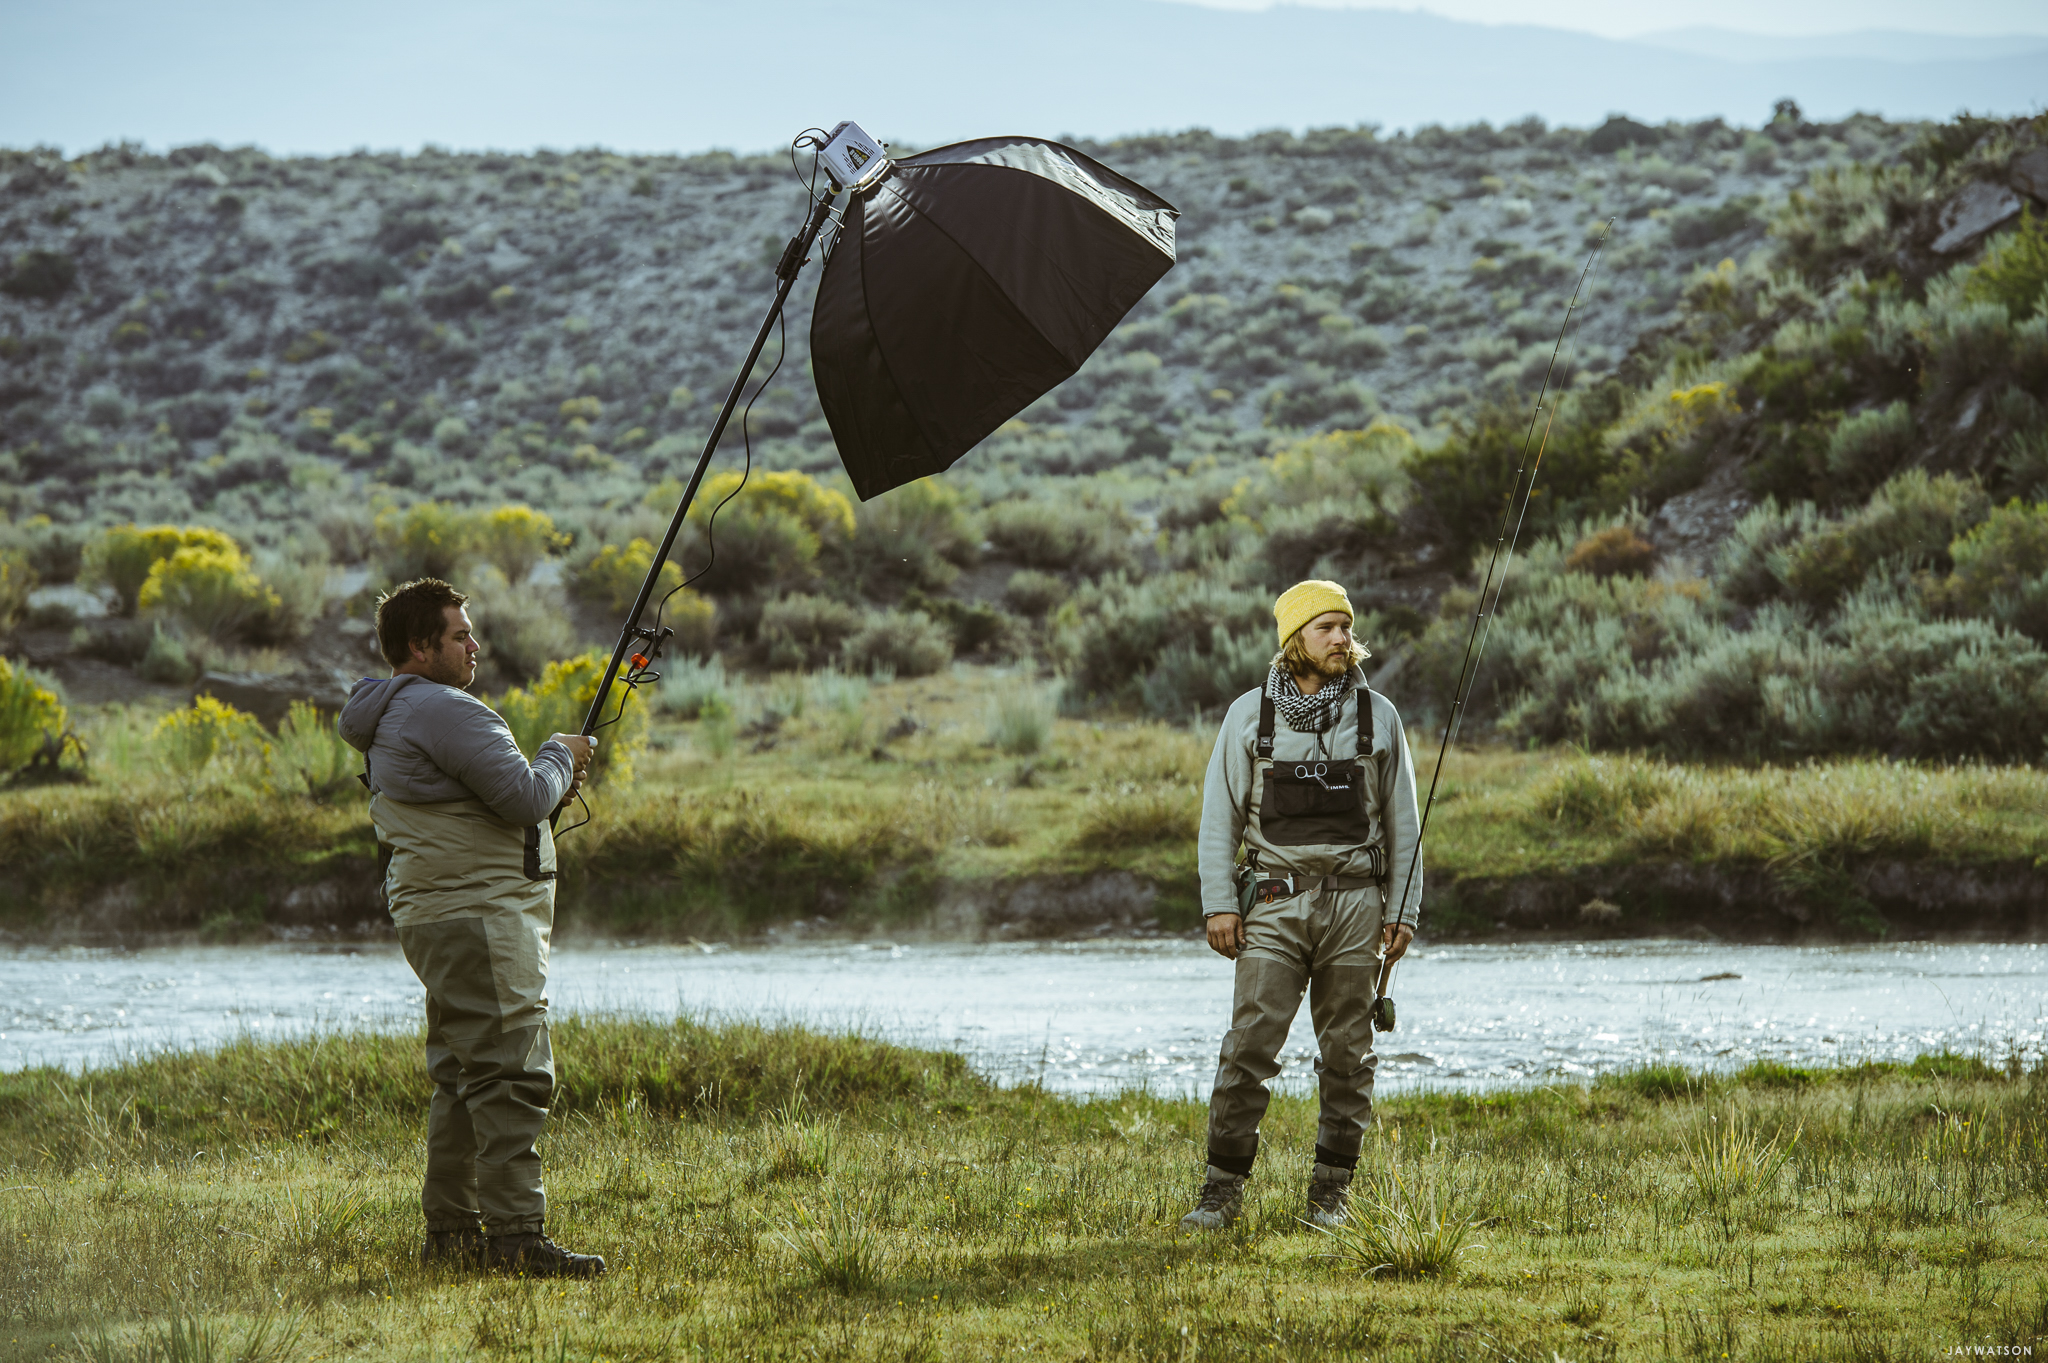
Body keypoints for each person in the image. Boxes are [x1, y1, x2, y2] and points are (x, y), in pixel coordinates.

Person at [339, 577, 606, 1278]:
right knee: (512, 1072)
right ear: (421, 647)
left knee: (461, 1075)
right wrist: (559, 754)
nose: (474, 645)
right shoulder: (447, 710)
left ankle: (453, 1234)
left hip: (441, 912)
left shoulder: (396, 712)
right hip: (480, 916)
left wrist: (550, 776)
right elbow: (523, 798)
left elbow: (488, 806)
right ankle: (517, 1237)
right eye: (460, 634)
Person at [1180, 579, 1421, 1231]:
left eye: (1347, 626)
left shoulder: (1380, 717)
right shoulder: (1247, 715)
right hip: (1271, 905)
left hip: (1356, 908)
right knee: (1249, 1045)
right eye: (1327, 627)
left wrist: (1404, 910)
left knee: (1349, 1051)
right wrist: (1219, 905)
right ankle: (1219, 1193)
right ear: (1295, 640)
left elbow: (1404, 823)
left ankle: (1331, 1196)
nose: (1343, 638)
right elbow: (1217, 820)